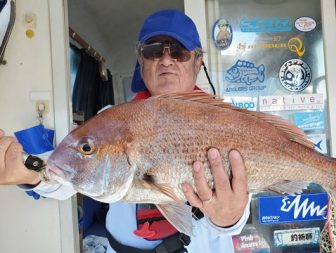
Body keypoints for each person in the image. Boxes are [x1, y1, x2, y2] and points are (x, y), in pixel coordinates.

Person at [0, 9, 250, 253]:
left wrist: (229, 218)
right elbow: (69, 177)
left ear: (198, 62)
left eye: (179, 52)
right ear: (141, 61)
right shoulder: (108, 123)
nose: (166, 60)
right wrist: (30, 174)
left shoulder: (224, 123)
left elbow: (239, 208)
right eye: (153, 51)